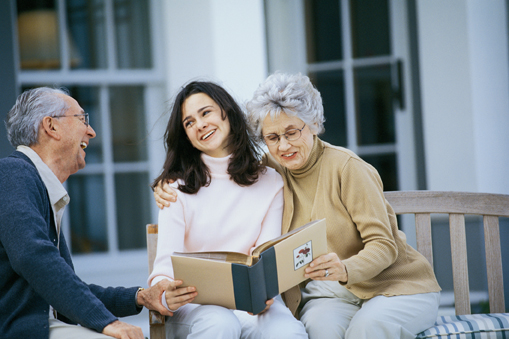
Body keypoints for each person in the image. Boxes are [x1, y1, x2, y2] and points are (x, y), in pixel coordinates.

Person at [154, 73, 442, 339]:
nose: (283, 146)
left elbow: (384, 244)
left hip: (393, 287)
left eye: (292, 132)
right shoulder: (269, 171)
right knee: (317, 328)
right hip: (334, 293)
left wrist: (344, 268)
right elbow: (228, 178)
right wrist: (164, 184)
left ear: (314, 124)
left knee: (366, 329)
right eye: (273, 138)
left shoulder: (347, 168)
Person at [0, 87, 172, 339]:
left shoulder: (34, 184)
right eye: (82, 119)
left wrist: (139, 297)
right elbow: (33, 256)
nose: (91, 131)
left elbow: (67, 286)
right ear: (51, 126)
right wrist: (106, 322)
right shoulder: (12, 172)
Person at [147, 81, 307, 339]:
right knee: (221, 324)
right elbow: (163, 271)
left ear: (228, 112)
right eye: (189, 123)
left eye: (205, 112)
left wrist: (264, 291)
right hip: (195, 307)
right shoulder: (175, 190)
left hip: (254, 307)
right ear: (185, 135)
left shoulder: (270, 181)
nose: (199, 125)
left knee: (288, 332)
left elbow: (264, 258)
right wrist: (165, 293)